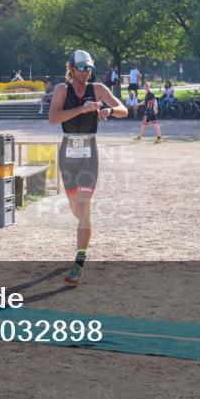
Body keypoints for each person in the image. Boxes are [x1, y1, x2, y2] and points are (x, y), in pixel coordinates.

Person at [48, 50, 127, 286]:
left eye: (89, 68)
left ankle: (78, 263)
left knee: (85, 207)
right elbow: (53, 118)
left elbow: (123, 109)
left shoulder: (99, 89)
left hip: (89, 152)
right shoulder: (62, 90)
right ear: (71, 68)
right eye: (82, 68)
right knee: (75, 205)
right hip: (68, 152)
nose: (86, 72)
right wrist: (81, 109)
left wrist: (109, 110)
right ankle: (82, 228)